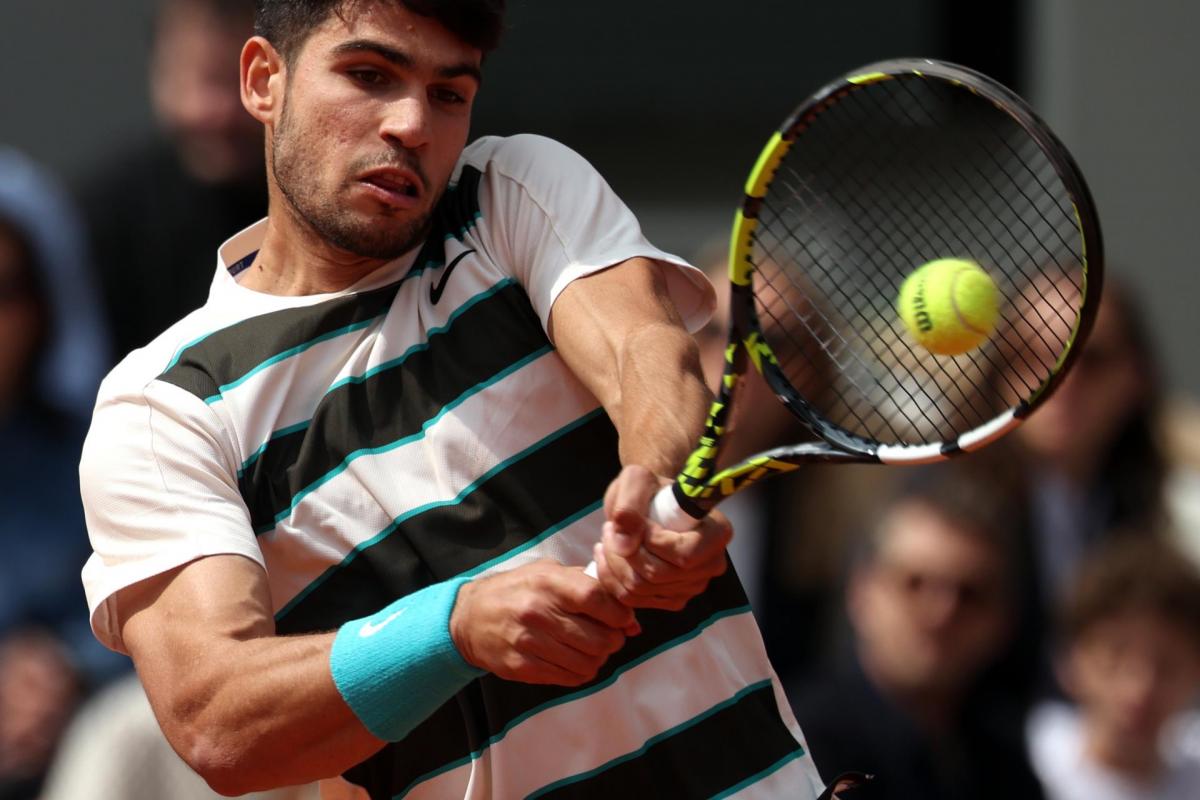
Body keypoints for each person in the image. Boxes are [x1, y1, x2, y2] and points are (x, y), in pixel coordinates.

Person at [78, 2, 828, 798]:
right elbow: (219, 720)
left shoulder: (509, 191)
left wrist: (659, 481)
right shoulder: (164, 410)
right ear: (264, 81)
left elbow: (643, 349)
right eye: (369, 76)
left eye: (449, 94)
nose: (411, 123)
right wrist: (454, 631)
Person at [790, 463, 1045, 800]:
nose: (940, 613)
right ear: (861, 591)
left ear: (1004, 619)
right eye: (915, 583)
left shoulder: (1005, 759)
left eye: (969, 594)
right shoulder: (797, 745)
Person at [0, 148, 119, 800]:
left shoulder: (104, 451)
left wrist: (67, 669)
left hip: (69, 753)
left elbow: (173, 612)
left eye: (1, 292)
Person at [79, 0, 266, 360]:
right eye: (197, 79)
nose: (213, 112)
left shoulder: (312, 211)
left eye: (236, 82)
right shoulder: (102, 214)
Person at [1027, 537, 1200, 800]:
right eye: (1115, 656)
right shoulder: (1027, 762)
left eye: (1167, 665)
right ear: (1068, 659)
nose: (1140, 687)